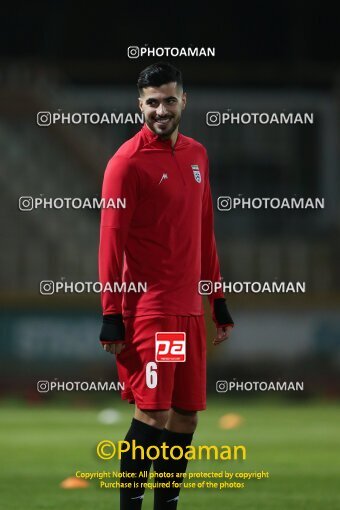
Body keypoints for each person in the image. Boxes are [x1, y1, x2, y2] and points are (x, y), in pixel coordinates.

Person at [98, 62, 234, 510]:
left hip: (187, 312)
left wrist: (217, 298)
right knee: (152, 413)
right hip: (149, 314)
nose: (161, 109)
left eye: (169, 100)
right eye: (152, 102)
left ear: (184, 101)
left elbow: (205, 230)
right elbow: (110, 247)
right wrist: (111, 313)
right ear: (140, 104)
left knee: (184, 418)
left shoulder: (197, 154)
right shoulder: (125, 164)